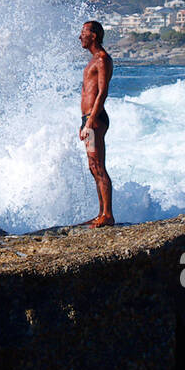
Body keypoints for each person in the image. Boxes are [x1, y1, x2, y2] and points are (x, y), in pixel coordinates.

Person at [78, 20, 115, 227]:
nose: (80, 37)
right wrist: (84, 122)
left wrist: (90, 121)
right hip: (88, 120)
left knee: (99, 166)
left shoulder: (102, 59)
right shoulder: (93, 60)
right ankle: (101, 212)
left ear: (93, 35)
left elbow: (103, 92)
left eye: (83, 33)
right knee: (93, 166)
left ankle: (108, 215)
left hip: (96, 119)